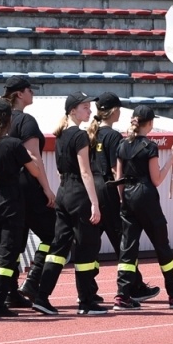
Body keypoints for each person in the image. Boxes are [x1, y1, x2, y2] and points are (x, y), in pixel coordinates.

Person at [25, 93, 110, 316]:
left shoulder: (61, 135)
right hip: (79, 194)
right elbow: (85, 171)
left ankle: (42, 297)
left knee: (58, 248)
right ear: (72, 111)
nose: (89, 111)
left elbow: (60, 169)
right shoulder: (80, 136)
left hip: (64, 192)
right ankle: (86, 301)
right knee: (86, 247)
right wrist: (94, 203)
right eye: (84, 107)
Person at [114, 105, 173, 308]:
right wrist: (171, 160)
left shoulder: (122, 145)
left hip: (128, 196)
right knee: (162, 245)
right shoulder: (150, 147)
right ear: (150, 124)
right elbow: (157, 179)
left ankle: (122, 295)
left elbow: (119, 179)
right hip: (145, 194)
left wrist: (123, 200)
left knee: (128, 247)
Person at [0, 100, 44, 317]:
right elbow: (34, 170)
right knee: (8, 254)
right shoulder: (14, 145)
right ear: (10, 120)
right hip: (10, 200)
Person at [90, 92, 153, 306]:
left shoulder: (91, 133)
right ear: (115, 110)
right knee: (123, 241)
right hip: (108, 190)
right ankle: (133, 287)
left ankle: (87, 288)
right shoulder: (113, 136)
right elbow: (116, 170)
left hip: (92, 189)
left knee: (89, 241)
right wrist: (122, 198)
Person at [4, 74, 52, 308]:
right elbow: (34, 158)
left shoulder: (0, 120)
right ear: (20, 94)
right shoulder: (26, 121)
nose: (32, 93)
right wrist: (46, 188)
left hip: (7, 187)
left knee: (15, 242)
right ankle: (32, 281)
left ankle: (8, 290)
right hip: (27, 185)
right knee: (54, 234)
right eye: (29, 90)